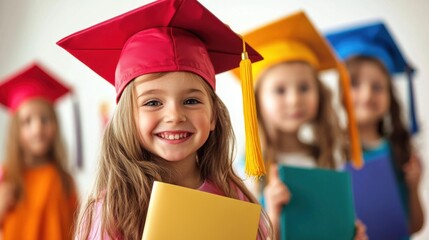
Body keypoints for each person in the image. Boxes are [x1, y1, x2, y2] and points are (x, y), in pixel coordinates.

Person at [57, 0, 272, 239]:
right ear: (128, 118)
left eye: (191, 101)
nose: (174, 116)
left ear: (213, 117)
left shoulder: (233, 197)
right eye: (152, 103)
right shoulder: (113, 210)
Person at [232, 11, 366, 239]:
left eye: (304, 88)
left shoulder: (325, 157)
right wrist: (273, 213)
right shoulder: (246, 171)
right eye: (280, 90)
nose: (295, 99)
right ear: (256, 100)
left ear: (319, 94)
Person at [327, 21, 425, 238]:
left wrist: (414, 187)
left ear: (390, 96)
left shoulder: (399, 150)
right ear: (341, 92)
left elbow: (415, 226)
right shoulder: (331, 150)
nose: (367, 94)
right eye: (355, 85)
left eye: (377, 87)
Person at [0, 63, 78, 240]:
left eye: (44, 119)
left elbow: (78, 230)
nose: (37, 128)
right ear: (16, 131)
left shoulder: (65, 180)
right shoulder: (6, 176)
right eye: (27, 121)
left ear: (55, 125)